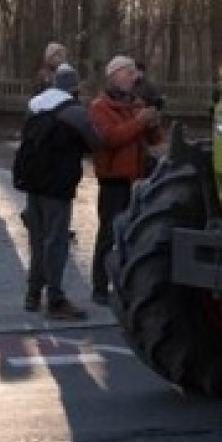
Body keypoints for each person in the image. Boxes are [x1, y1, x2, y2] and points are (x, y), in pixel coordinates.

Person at [18, 64, 101, 320]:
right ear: (75, 87)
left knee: (37, 238)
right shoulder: (74, 111)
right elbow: (96, 142)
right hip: (58, 184)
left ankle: (32, 294)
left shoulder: (34, 104)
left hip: (33, 180)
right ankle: (55, 298)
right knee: (56, 240)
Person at [88, 55, 163, 306]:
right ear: (115, 74)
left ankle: (127, 285)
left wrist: (152, 124)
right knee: (108, 235)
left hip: (139, 179)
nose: (134, 78)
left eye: (134, 74)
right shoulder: (99, 107)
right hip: (113, 181)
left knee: (135, 235)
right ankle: (100, 286)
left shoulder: (136, 104)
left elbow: (154, 141)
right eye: (129, 73)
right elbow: (110, 139)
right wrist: (138, 123)